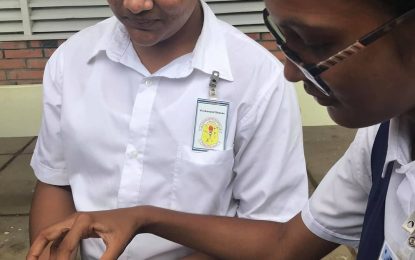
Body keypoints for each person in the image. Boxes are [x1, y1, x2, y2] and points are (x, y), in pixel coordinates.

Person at [28, 0, 415, 259]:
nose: (291, 71)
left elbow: (274, 226)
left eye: (314, 41)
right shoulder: (378, 145)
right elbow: (284, 245)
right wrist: (144, 216)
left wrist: (146, 217)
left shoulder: (254, 76)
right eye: (283, 37)